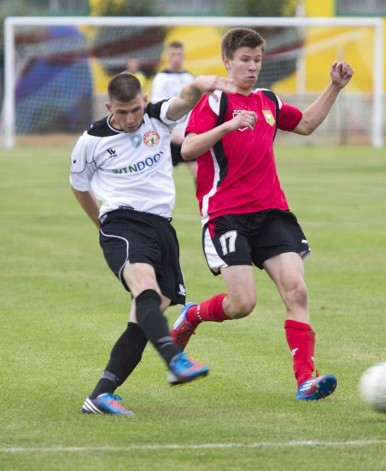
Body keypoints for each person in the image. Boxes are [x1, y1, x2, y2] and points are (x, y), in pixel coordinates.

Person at [170, 28, 354, 401]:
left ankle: (306, 379)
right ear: (227, 62)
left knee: (297, 291)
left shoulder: (267, 100)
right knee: (243, 305)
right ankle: (192, 316)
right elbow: (188, 148)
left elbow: (304, 124)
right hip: (226, 215)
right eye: (245, 60)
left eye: (257, 60)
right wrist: (227, 126)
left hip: (270, 212)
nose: (252, 67)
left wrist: (334, 87)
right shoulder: (215, 101)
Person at [70, 72, 235, 416]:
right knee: (144, 285)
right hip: (122, 222)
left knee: (146, 314)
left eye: (134, 109)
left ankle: (101, 394)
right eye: (122, 112)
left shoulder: (157, 118)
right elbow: (79, 185)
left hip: (161, 227)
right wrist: (100, 222)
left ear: (144, 101)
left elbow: (184, 99)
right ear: (108, 107)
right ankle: (175, 359)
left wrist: (199, 84)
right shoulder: (91, 140)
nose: (130, 119)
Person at [151, 40, 198, 178]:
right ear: (168, 56)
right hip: (167, 135)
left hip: (187, 135)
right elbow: (157, 106)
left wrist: (188, 131)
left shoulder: (189, 78)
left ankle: (202, 200)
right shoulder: (161, 78)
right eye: (173, 54)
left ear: (183, 56)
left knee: (200, 174)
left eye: (179, 54)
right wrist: (173, 132)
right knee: (159, 174)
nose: (176, 58)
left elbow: (194, 107)